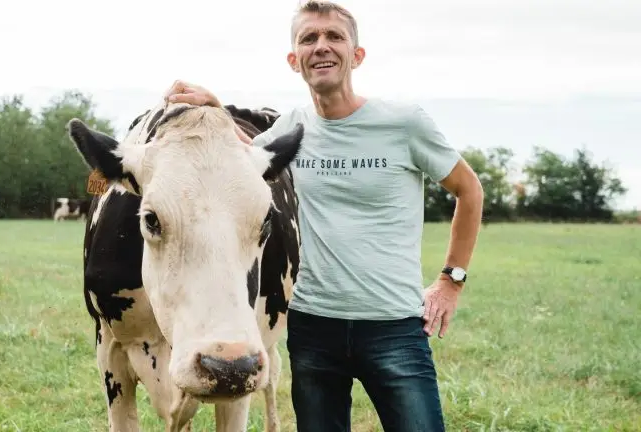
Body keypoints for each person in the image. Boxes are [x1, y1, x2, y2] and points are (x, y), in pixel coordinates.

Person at [164, 1, 484, 430]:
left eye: (335, 36)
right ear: (294, 61)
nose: (322, 46)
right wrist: (217, 109)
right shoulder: (293, 129)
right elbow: (244, 158)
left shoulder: (404, 123)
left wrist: (451, 281)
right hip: (313, 326)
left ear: (357, 54)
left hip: (394, 328)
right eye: (308, 39)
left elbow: (469, 190)